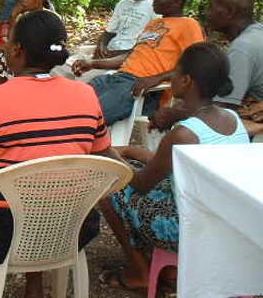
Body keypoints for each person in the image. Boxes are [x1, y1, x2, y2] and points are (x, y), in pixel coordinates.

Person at [0, 10, 121, 298]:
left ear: (18, 51)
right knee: (40, 189)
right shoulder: (86, 95)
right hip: (71, 228)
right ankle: (33, 286)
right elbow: (105, 158)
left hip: (7, 234)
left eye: (9, 42)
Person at [98, 42, 249, 291]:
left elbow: (141, 183)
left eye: (175, 72)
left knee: (110, 185)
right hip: (227, 221)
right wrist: (131, 151)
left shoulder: (183, 133)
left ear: (187, 80)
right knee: (135, 166)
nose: (172, 77)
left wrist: (108, 152)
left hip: (188, 229)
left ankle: (141, 272)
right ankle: (167, 268)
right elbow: (168, 164)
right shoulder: (232, 119)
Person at [73, 0, 205, 125]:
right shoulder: (154, 23)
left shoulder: (188, 25)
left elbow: (196, 65)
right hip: (117, 78)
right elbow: (130, 56)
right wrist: (91, 63)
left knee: (88, 118)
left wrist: (157, 78)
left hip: (140, 88)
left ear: (177, 2)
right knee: (74, 104)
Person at [153, 0, 263, 138]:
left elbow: (221, 112)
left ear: (229, 12)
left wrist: (174, 115)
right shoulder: (257, 32)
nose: (206, 11)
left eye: (211, 6)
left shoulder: (242, 48)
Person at [53, 0, 157, 81]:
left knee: (81, 78)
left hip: (122, 63)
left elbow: (144, 51)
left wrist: (112, 56)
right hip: (104, 57)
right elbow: (108, 33)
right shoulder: (124, 3)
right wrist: (101, 46)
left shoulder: (157, 8)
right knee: (55, 68)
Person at [0, 0, 53, 82]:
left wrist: (6, 49)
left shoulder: (50, 18)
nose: (22, 0)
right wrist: (13, 16)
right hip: (25, 55)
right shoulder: (24, 16)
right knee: (0, 60)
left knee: (5, 61)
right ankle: (8, 93)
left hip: (42, 59)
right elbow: (12, 41)